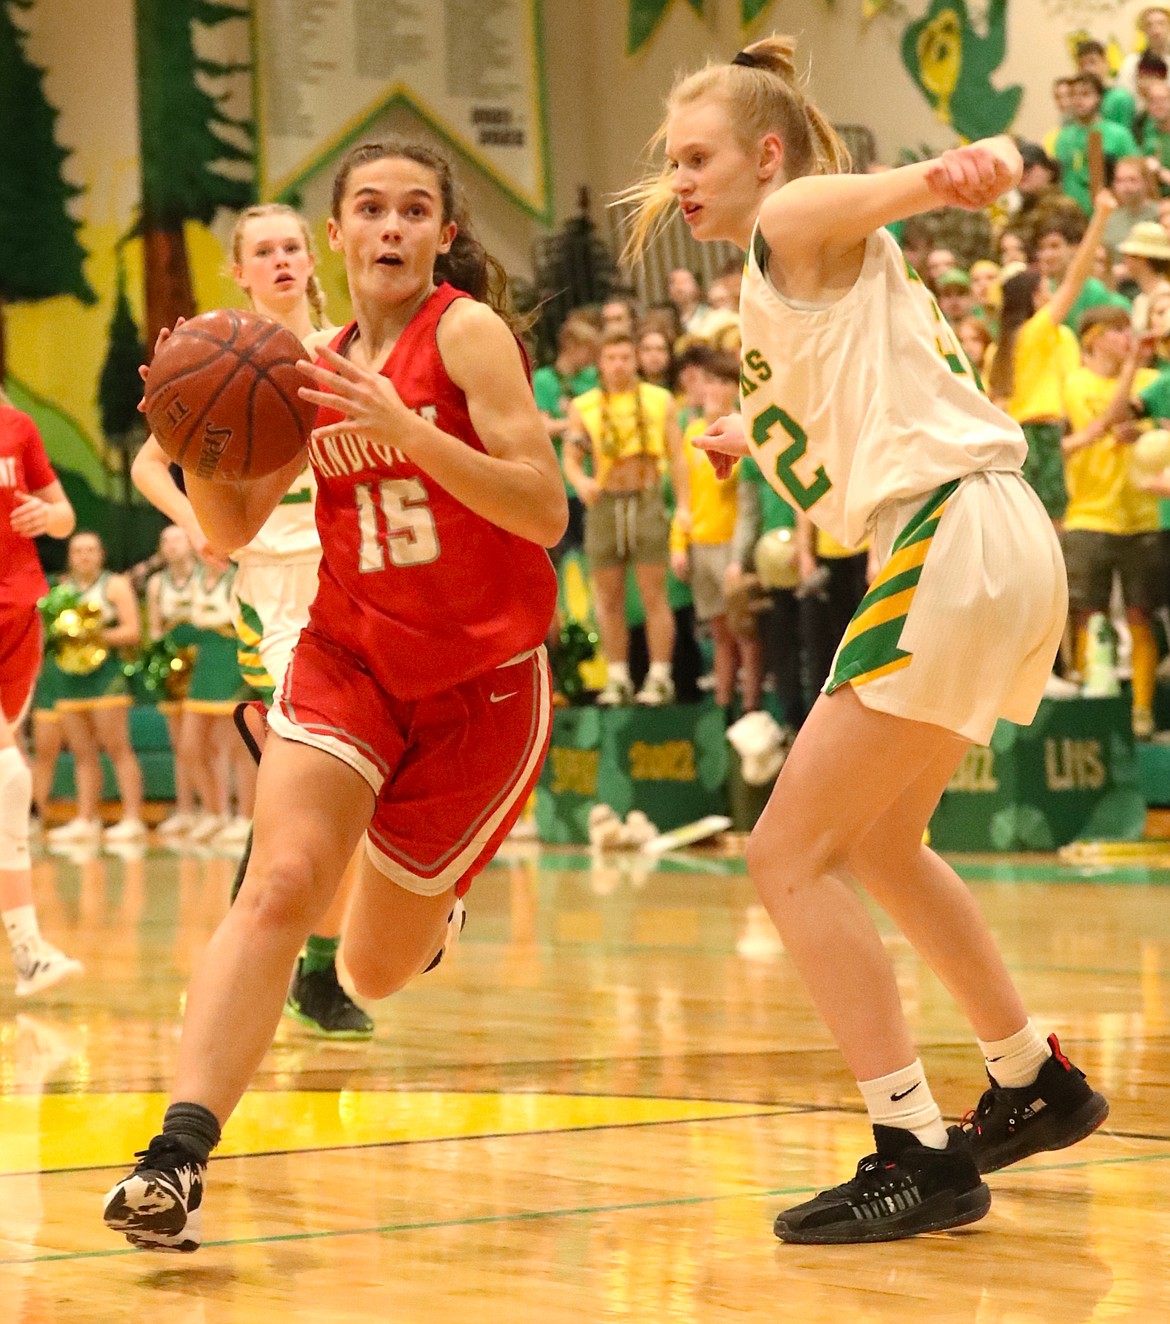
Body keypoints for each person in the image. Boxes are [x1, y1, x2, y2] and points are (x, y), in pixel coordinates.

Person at [625, 35, 1108, 1245]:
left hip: (949, 539)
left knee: (785, 854)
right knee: (886, 841)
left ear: (766, 153)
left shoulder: (792, 219)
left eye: (699, 157)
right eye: (669, 160)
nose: (680, 179)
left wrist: (944, 175)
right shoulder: (794, 287)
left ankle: (913, 1146)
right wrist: (759, 427)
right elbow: (847, 404)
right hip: (996, 536)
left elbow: (841, 197)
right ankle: (1028, 1077)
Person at [103, 137, 566, 1252]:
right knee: (280, 885)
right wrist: (192, 419)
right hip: (349, 659)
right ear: (338, 236)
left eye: (416, 208)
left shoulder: (466, 333)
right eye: (372, 208)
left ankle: (430, 910)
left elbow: (544, 510)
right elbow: (227, 526)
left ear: (445, 231)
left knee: (371, 966)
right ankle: (175, 1155)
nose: (394, 226)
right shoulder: (302, 362)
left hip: (481, 686)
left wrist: (408, 431)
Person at [131, 201, 374, 1037]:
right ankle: (249, 963)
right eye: (261, 251)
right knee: (302, 778)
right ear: (238, 271)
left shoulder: (345, 350)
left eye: (290, 248)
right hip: (271, 586)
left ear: (314, 260)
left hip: (350, 577)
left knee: (355, 793)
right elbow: (145, 458)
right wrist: (198, 522)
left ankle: (315, 969)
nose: (279, 261)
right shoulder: (213, 355)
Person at [0, 389, 82, 995]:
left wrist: (46, 517)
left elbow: (64, 513)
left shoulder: (17, 425)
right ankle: (27, 946)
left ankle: (27, 951)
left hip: (17, 615)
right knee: (9, 777)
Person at [561, 331, 690, 705]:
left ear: (634, 361)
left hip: (646, 498)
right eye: (611, 358)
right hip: (604, 502)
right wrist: (580, 480)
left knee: (654, 592)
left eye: (625, 357)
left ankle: (660, 675)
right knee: (608, 593)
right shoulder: (584, 406)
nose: (618, 365)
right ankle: (617, 676)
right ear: (601, 363)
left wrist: (683, 506)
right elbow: (571, 457)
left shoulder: (658, 400)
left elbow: (678, 457)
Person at [1061, 305, 1163, 737]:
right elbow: (1112, 416)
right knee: (1091, 615)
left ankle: (1142, 713)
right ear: (1093, 338)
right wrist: (1131, 373)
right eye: (1117, 331)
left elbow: (1149, 421)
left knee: (1142, 615)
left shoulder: (1151, 382)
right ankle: (1095, 711)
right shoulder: (1074, 385)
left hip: (1142, 516)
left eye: (1129, 328)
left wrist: (1147, 430)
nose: (1128, 337)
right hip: (1089, 513)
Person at [44, 531, 146, 846]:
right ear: (70, 556)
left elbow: (133, 631)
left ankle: (132, 818)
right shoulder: (60, 591)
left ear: (101, 554)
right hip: (70, 677)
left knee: (117, 747)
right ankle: (86, 818)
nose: (84, 556)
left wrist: (91, 634)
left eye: (90, 550)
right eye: (78, 551)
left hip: (106, 677)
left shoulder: (114, 585)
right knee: (81, 752)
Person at [144, 525, 198, 837]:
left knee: (208, 745)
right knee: (181, 744)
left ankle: (218, 810)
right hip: (173, 667)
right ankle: (186, 810)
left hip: (203, 664)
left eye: (178, 538)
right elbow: (154, 628)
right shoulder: (156, 583)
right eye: (165, 541)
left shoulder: (206, 576)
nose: (172, 546)